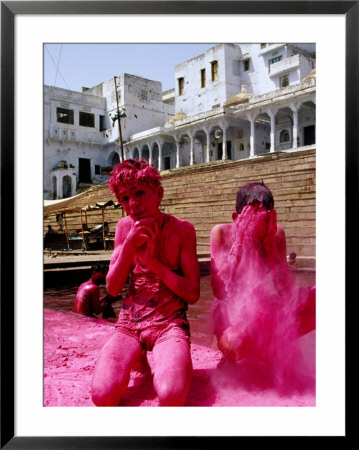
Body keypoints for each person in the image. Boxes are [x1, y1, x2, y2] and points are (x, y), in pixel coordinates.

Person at [91, 159, 200, 407]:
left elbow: (193, 294)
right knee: (102, 395)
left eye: (140, 193)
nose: (133, 205)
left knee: (171, 394)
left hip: (169, 323)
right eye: (125, 198)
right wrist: (129, 245)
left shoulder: (182, 230)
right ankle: (137, 354)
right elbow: (112, 288)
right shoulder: (123, 227)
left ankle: (174, 357)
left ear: (158, 193)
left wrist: (153, 262)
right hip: (130, 323)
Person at [210, 182, 315, 364]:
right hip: (231, 315)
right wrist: (239, 244)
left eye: (266, 215)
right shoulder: (221, 233)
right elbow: (219, 291)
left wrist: (270, 249)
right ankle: (238, 350)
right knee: (234, 344)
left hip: (265, 307)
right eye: (253, 216)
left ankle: (267, 348)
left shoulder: (276, 234)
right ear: (237, 218)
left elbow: (286, 293)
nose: (261, 223)